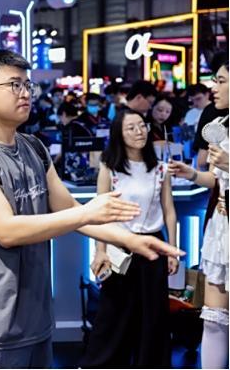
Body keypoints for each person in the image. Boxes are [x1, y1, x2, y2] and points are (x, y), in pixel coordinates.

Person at [0, 49, 183, 368]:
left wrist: (130, 241)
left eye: (28, 85)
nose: (25, 93)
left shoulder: (34, 148)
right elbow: (6, 230)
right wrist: (87, 213)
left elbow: (67, 206)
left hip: (36, 316)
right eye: (14, 85)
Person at [81, 109, 178, 367]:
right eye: (131, 128)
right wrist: (100, 250)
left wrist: (172, 248)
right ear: (119, 135)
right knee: (114, 316)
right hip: (120, 246)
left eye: (142, 126)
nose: (139, 132)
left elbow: (169, 210)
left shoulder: (160, 169)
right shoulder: (110, 168)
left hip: (153, 247)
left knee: (153, 317)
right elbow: (99, 215)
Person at [168, 54, 229, 369]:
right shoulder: (220, 124)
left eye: (220, 81)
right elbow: (216, 179)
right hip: (222, 227)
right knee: (214, 320)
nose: (213, 88)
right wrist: (191, 174)